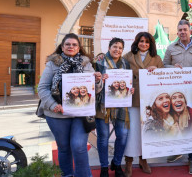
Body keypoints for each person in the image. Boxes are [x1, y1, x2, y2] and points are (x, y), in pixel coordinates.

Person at [37, 33, 103, 177]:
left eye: (74, 44)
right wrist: (53, 104)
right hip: (57, 114)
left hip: (81, 113)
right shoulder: (52, 63)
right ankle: (67, 175)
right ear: (62, 47)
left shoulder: (87, 63)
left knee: (79, 147)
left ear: (79, 48)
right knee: (64, 148)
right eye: (68, 44)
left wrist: (98, 80)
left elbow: (96, 90)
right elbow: (42, 88)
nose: (71, 47)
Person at [163, 19, 192, 174]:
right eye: (179, 30)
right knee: (175, 121)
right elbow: (163, 65)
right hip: (176, 93)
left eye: (185, 30)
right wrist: (172, 67)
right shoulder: (171, 48)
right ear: (177, 31)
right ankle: (177, 150)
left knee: (191, 123)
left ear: (190, 31)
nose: (182, 32)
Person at [123, 32, 164, 176]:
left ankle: (143, 159)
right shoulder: (127, 56)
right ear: (136, 42)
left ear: (150, 44)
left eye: (147, 42)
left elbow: (164, 77)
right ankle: (128, 161)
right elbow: (119, 72)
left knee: (145, 131)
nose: (144, 44)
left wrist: (157, 70)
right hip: (133, 99)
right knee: (132, 131)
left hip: (149, 100)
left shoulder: (156, 58)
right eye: (141, 41)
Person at [95, 37, 134, 177]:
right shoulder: (99, 61)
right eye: (115, 47)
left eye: (120, 48)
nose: (117, 50)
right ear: (109, 47)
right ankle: (104, 167)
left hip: (120, 105)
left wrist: (131, 89)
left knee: (123, 135)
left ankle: (117, 164)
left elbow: (127, 82)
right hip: (102, 105)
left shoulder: (125, 63)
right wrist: (99, 80)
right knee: (103, 138)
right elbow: (92, 82)